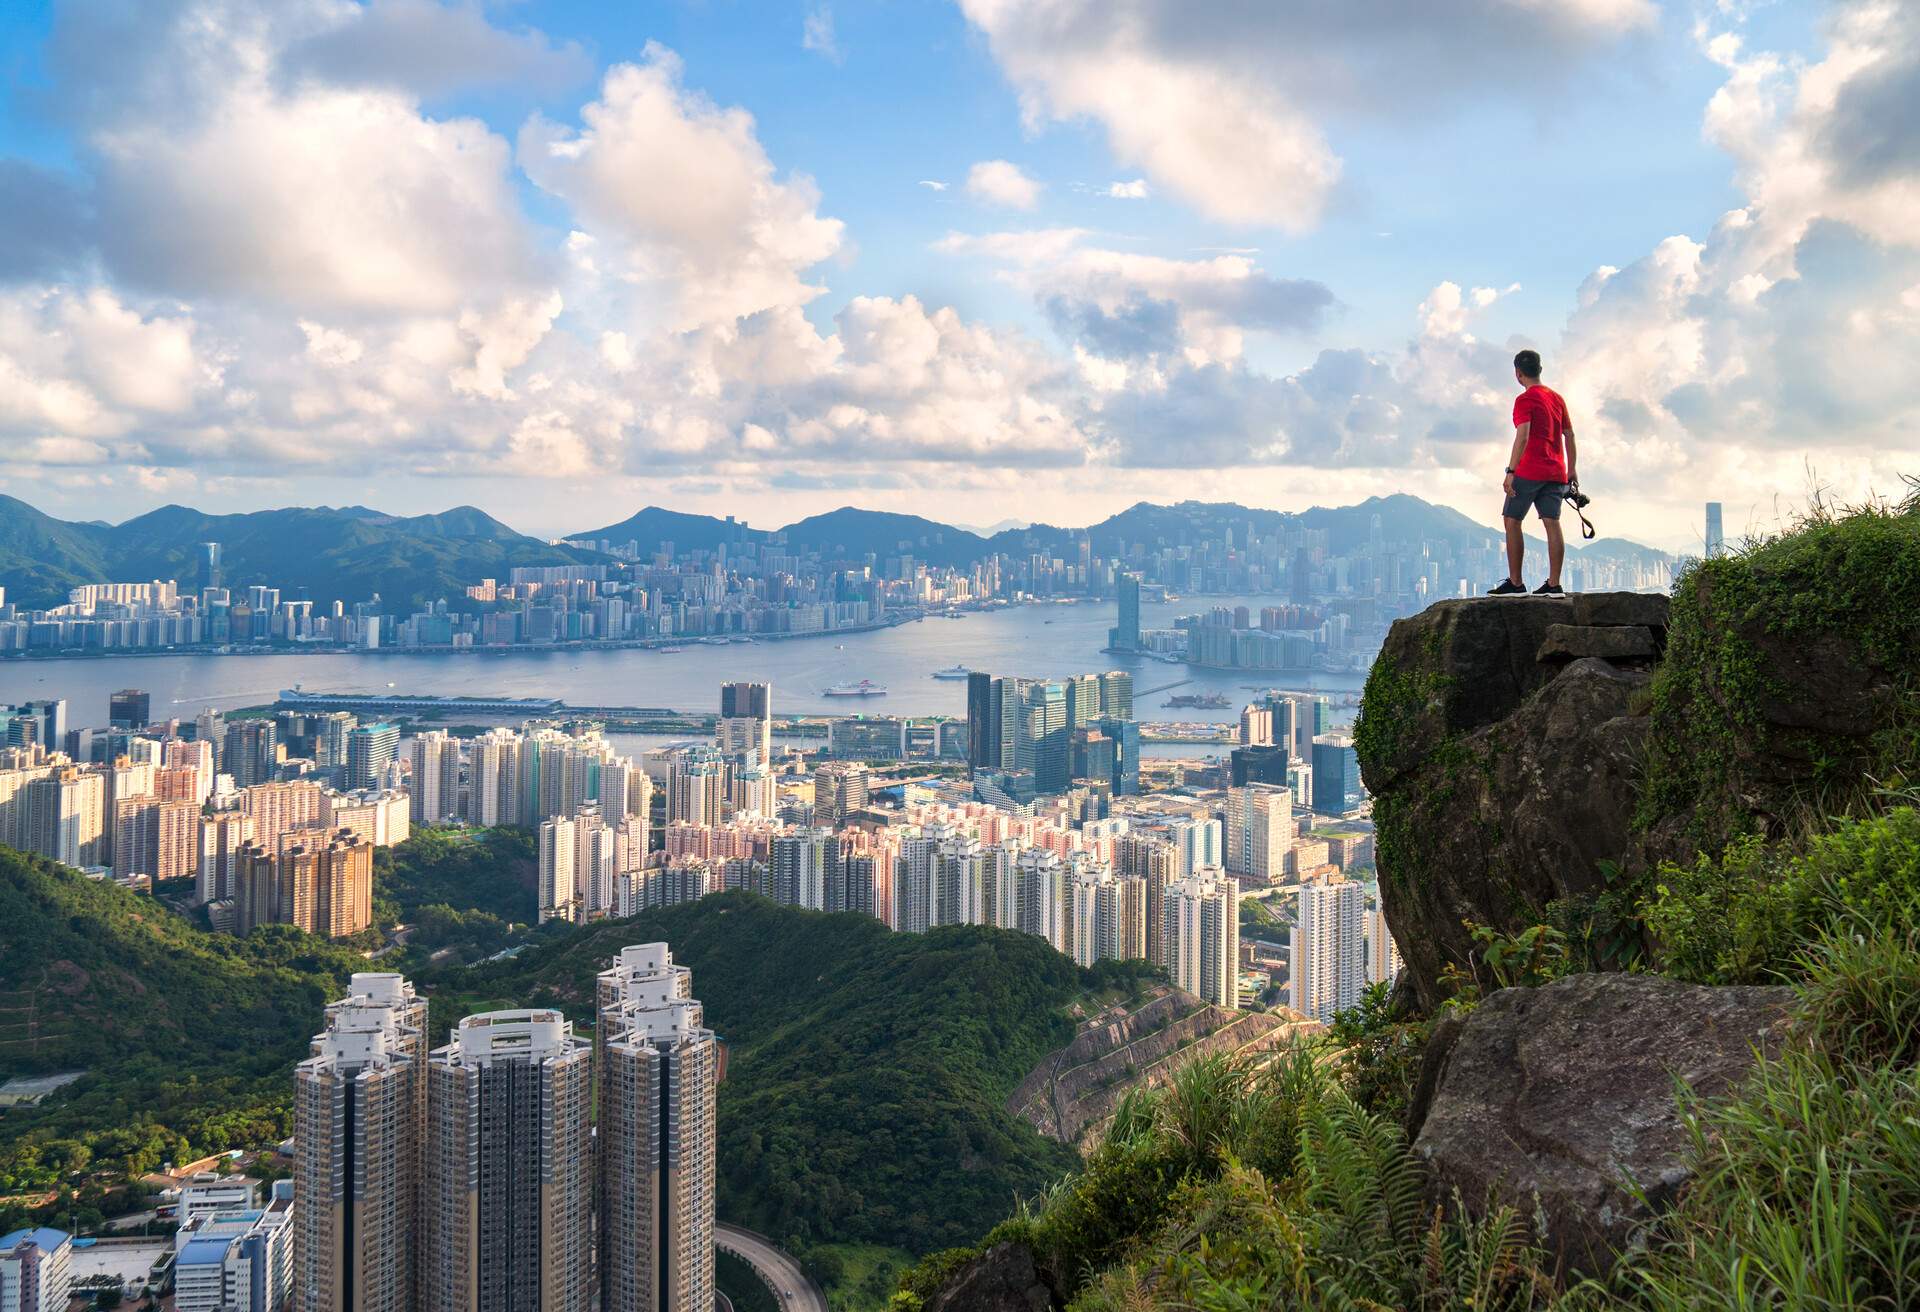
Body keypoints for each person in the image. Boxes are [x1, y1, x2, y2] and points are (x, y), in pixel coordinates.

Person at [1488, 348, 1578, 596]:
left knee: (1511, 520)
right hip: (1557, 472)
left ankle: (1516, 584)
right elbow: (1569, 435)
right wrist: (1572, 470)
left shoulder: (1524, 400)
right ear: (1540, 369)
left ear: (1518, 374)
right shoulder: (1557, 398)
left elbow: (1523, 435)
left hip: (1529, 472)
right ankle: (1554, 583)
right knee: (1552, 523)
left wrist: (1511, 471)